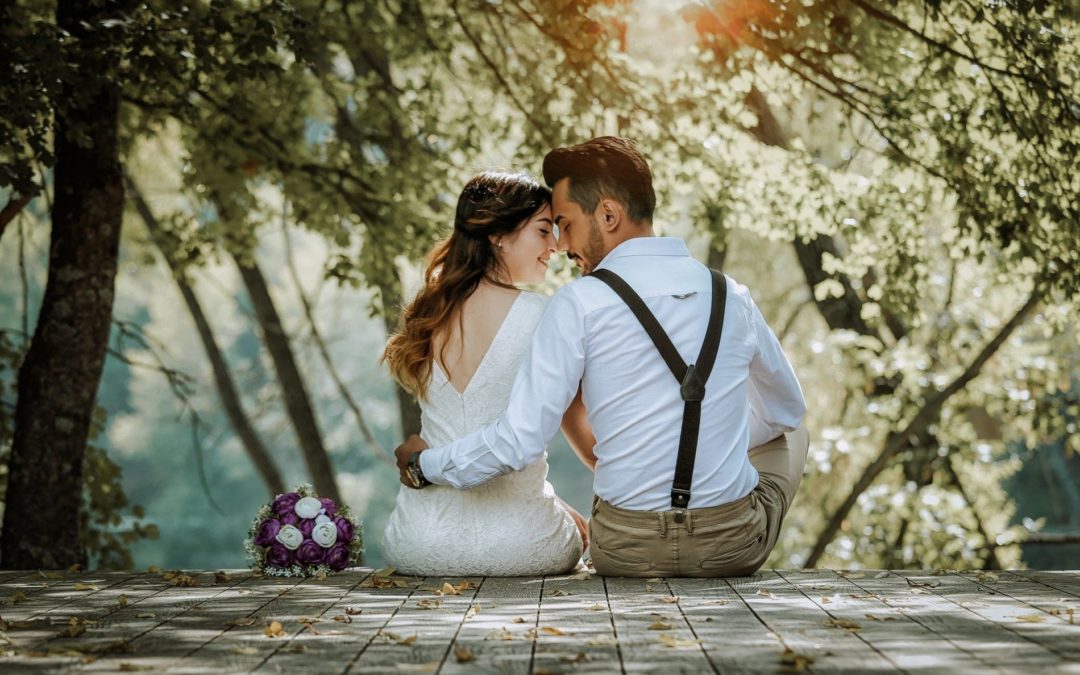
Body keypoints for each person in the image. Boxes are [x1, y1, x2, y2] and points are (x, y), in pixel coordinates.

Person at [395, 137, 809, 577]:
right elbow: (785, 410)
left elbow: (519, 440)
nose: (561, 244)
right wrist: (714, 443)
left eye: (565, 224)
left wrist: (425, 464)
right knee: (792, 429)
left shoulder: (577, 303)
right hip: (731, 547)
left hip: (624, 550)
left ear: (608, 215)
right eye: (550, 227)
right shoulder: (733, 296)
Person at [381, 170, 586, 576]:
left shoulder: (427, 314)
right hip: (523, 547)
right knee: (584, 534)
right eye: (543, 231)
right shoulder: (543, 315)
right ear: (497, 235)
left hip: (419, 544)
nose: (556, 246)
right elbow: (522, 444)